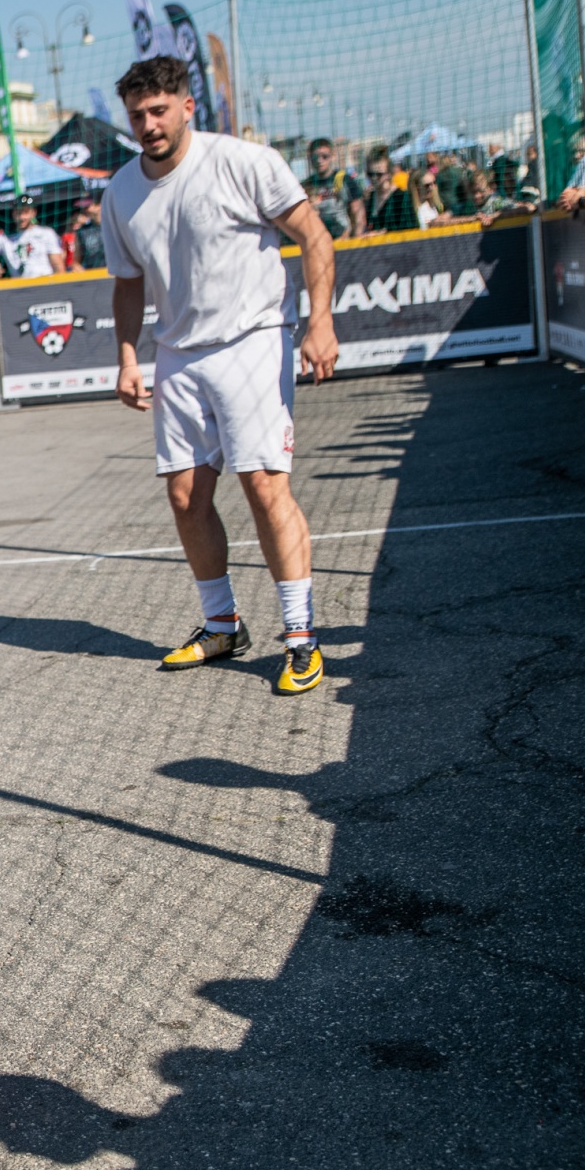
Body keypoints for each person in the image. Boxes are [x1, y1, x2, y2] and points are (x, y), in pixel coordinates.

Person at [104, 55, 337, 697]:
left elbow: (314, 236)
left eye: (159, 111)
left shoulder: (243, 161)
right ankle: (222, 624)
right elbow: (128, 283)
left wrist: (320, 322)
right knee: (185, 496)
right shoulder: (121, 191)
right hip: (178, 354)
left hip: (252, 339)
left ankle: (301, 637)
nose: (149, 126)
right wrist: (127, 358)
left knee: (263, 486)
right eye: (137, 116)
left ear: (187, 107)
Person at [0, 197, 67, 278]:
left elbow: (58, 266)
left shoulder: (46, 233)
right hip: (20, 286)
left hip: (44, 281)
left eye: (26, 212)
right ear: (13, 214)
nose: (22, 217)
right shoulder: (5, 238)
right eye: (18, 213)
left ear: (33, 213)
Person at [305, 139, 366, 238]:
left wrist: (356, 237)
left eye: (324, 156)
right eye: (315, 157)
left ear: (333, 156)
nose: (319, 161)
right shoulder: (307, 184)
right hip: (318, 237)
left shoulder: (344, 179)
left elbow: (358, 212)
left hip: (343, 237)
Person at [362, 149, 420, 233]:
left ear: (389, 173)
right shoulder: (370, 198)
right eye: (370, 174)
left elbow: (412, 229)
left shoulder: (402, 197)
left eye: (379, 174)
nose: (374, 178)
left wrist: (382, 234)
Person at [62, 194, 108, 270]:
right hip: (95, 272)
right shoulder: (82, 231)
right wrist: (76, 266)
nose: (84, 210)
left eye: (87, 207)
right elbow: (76, 260)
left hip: (117, 271)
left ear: (99, 206)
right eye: (83, 207)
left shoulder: (114, 225)